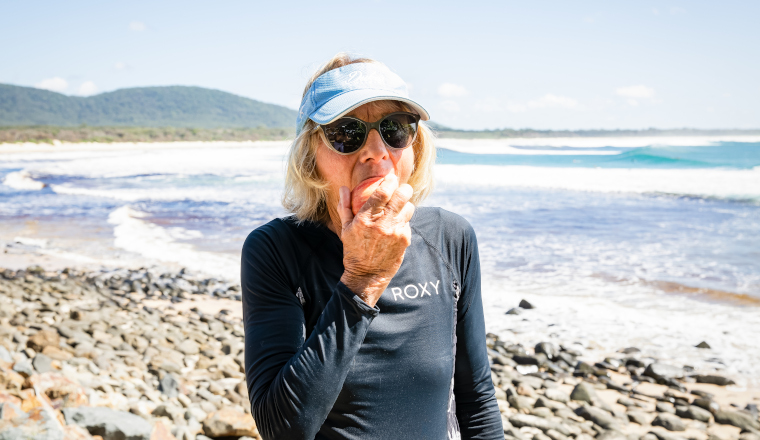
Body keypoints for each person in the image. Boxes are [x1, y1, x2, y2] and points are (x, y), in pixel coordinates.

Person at [241, 53, 502, 440]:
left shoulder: (451, 237)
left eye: (395, 129)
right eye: (346, 132)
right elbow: (282, 428)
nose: (377, 151)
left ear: (415, 146)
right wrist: (363, 279)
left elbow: (476, 399)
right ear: (310, 156)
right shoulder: (276, 250)